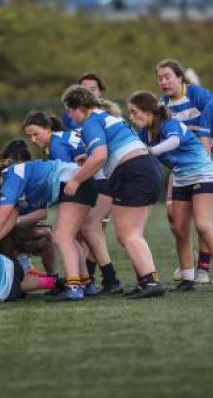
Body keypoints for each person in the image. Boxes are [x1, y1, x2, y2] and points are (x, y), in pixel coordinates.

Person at [61, 85, 164, 299]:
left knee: (129, 234)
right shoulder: (105, 115)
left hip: (133, 172)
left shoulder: (91, 121)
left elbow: (99, 156)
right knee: (131, 233)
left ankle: (151, 282)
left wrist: (76, 180)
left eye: (71, 110)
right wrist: (87, 158)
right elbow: (110, 149)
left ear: (80, 106)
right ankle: (148, 280)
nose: (70, 115)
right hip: (145, 167)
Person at [0, 159, 98, 301]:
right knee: (68, 237)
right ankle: (86, 283)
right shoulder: (9, 177)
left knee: (62, 237)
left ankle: (74, 288)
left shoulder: (11, 180)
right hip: (81, 182)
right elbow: (10, 221)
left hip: (76, 183)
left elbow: (1, 217)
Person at [23, 111, 122, 294]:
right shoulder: (61, 138)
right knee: (75, 233)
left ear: (48, 128)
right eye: (29, 137)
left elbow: (68, 173)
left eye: (35, 134)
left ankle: (88, 283)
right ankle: (90, 282)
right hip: (97, 180)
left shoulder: (56, 143)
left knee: (74, 233)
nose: (33, 139)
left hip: (98, 181)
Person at [129, 91, 213, 291]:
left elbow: (174, 142)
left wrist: (150, 151)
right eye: (130, 114)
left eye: (135, 112)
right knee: (180, 230)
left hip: (203, 174)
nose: (132, 118)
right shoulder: (143, 133)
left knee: (202, 225)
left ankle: (202, 270)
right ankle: (188, 278)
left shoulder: (170, 123)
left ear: (149, 111)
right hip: (181, 178)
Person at [156, 58, 213, 283]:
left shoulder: (199, 95)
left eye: (168, 77)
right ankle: (190, 260)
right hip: (181, 166)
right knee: (172, 214)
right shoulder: (162, 105)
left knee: (203, 220)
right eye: (159, 78)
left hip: (205, 162)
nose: (163, 82)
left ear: (180, 77)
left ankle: (203, 269)